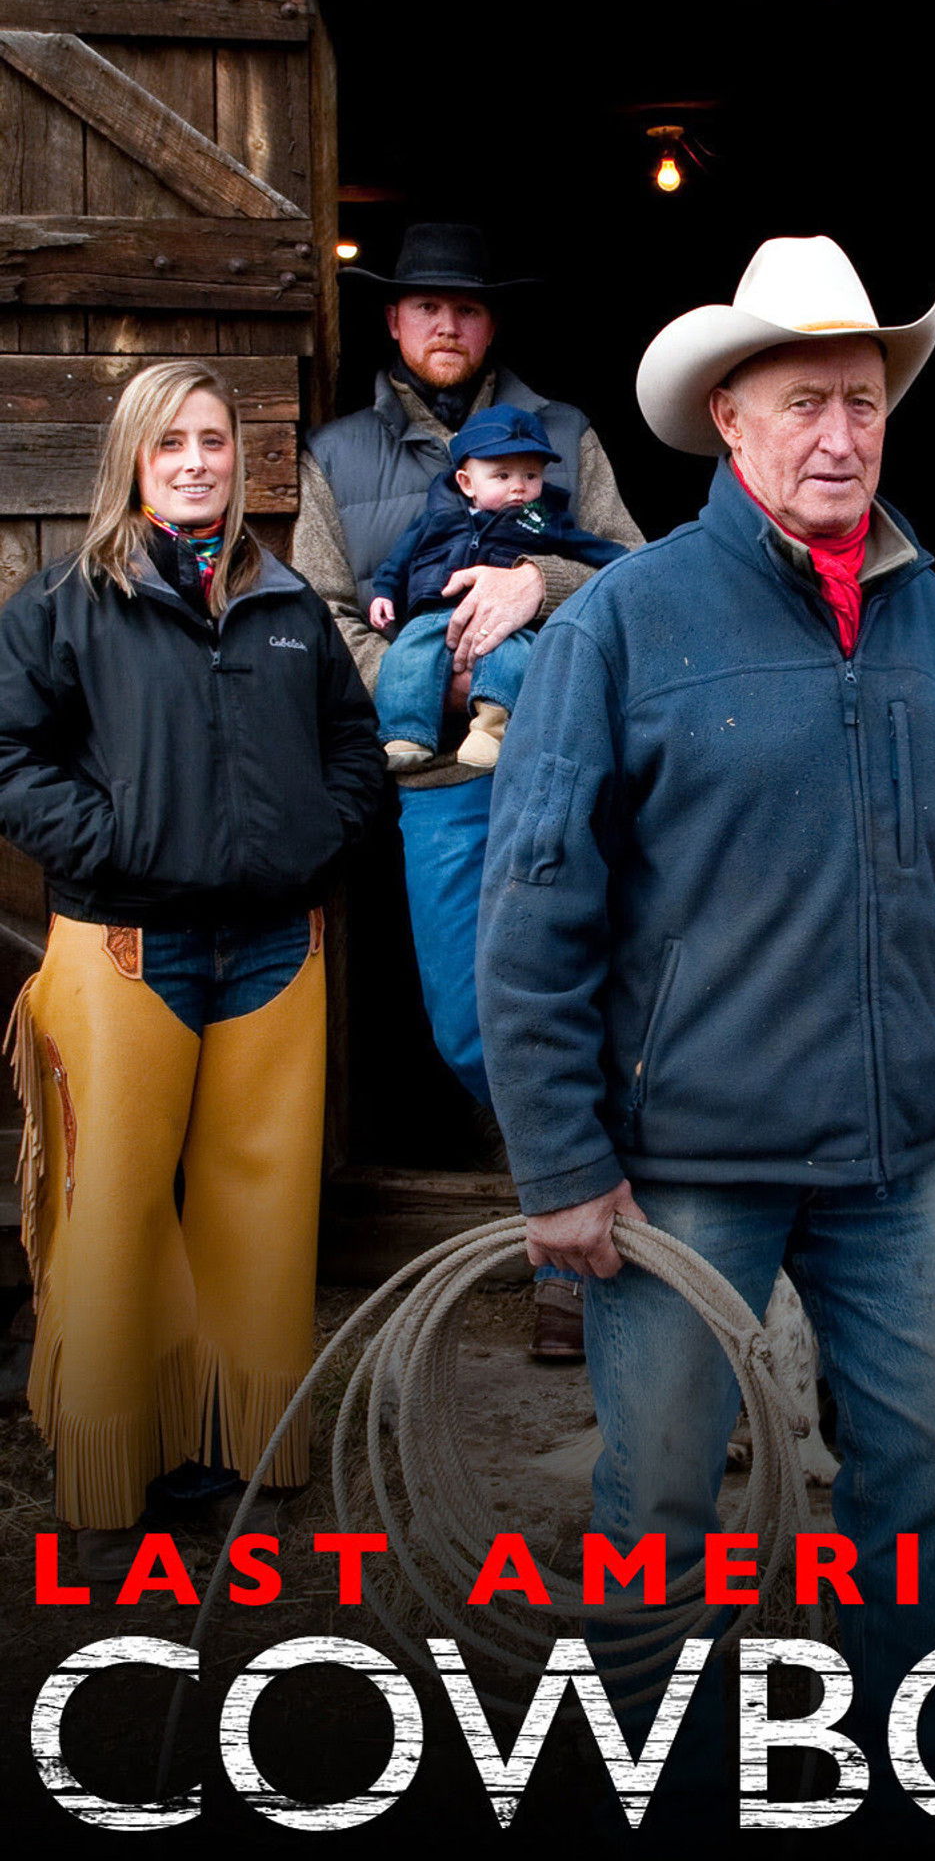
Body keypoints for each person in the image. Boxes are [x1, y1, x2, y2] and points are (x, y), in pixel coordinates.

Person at [476, 236, 935, 1798]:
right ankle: (650, 1786)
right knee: (662, 1503)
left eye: (863, 401)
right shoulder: (626, 622)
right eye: (804, 403)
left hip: (886, 1165)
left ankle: (927, 1772)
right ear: (729, 419)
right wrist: (560, 1162)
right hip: (684, 1166)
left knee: (926, 1491)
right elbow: (533, 909)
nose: (840, 436)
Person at [0, 360, 383, 1575]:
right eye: (170, 443)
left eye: (213, 440)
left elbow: (355, 749)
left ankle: (240, 1459)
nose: (196, 462)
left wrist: (317, 838)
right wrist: (114, 847)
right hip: (125, 945)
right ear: (132, 458)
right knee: (112, 1209)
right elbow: (12, 756)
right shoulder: (65, 603)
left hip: (274, 945)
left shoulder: (286, 605)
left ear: (239, 459)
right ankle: (111, 1477)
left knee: (260, 1208)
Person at [294, 222, 642, 1360]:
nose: (447, 323)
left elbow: (637, 575)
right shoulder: (338, 455)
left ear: (493, 322)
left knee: (587, 996)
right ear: (393, 319)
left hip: (562, 762)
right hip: (437, 773)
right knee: (466, 1020)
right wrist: (428, 681)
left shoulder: (565, 433)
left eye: (469, 306)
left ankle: (580, 1265)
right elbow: (319, 613)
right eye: (425, 306)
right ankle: (575, 1194)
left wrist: (537, 581)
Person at [369, 404, 629, 772]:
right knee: (406, 656)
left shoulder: (542, 520)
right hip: (435, 610)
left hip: (510, 622)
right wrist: (383, 592)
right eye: (502, 475)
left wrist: (628, 560)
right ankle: (406, 735)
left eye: (531, 475)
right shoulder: (438, 517)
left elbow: (589, 547)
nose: (518, 486)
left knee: (515, 659)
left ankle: (491, 731)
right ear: (466, 483)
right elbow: (401, 557)